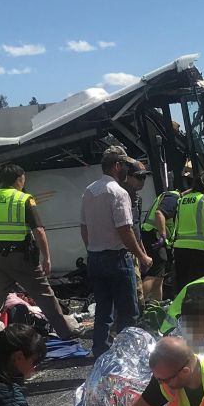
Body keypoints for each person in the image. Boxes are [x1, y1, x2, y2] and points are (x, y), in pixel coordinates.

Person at [0, 162, 78, 355]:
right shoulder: (23, 199)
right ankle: (66, 333)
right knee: (44, 294)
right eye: (23, 178)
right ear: (19, 179)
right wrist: (47, 257)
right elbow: (38, 230)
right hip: (22, 257)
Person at [80, 146, 153, 358]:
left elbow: (84, 227)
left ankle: (101, 352)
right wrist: (142, 256)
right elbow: (124, 230)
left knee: (103, 309)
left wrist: (92, 248)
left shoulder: (89, 191)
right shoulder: (119, 193)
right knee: (129, 311)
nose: (127, 171)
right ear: (117, 166)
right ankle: (126, 354)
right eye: (125, 166)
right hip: (117, 259)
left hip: (95, 257)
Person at [132, 164, 174, 304]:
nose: (143, 180)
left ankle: (157, 305)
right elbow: (159, 213)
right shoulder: (174, 198)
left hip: (149, 236)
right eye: (139, 177)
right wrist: (163, 236)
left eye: (144, 177)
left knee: (159, 276)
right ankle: (137, 305)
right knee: (154, 275)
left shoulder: (138, 198)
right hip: (154, 237)